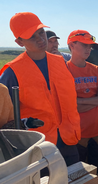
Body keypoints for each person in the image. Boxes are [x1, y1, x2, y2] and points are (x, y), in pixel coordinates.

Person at [0, 12, 81, 166]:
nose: (40, 39)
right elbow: (4, 120)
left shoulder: (61, 62)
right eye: (32, 36)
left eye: (41, 32)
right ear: (19, 42)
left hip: (68, 140)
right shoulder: (11, 72)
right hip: (37, 148)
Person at [67, 30, 98, 173]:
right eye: (84, 45)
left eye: (90, 46)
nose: (89, 49)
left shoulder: (96, 70)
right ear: (72, 45)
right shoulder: (64, 71)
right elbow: (69, 106)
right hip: (77, 133)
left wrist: (81, 101)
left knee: (95, 171)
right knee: (78, 174)